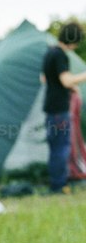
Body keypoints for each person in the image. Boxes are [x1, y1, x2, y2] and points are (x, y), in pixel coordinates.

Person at [41, 20, 86, 194]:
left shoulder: (49, 53)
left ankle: (56, 182)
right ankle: (59, 186)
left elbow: (44, 78)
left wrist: (70, 87)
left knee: (55, 147)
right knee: (62, 147)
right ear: (73, 40)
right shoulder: (60, 55)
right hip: (60, 109)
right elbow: (65, 80)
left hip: (50, 108)